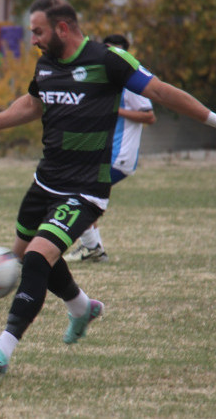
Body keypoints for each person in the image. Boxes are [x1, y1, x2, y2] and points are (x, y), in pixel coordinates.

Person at [0, 0, 216, 378]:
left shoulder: (108, 60)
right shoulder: (47, 63)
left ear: (62, 28)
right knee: (30, 257)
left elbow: (160, 92)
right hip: (44, 182)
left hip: (85, 188)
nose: (33, 39)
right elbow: (32, 105)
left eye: (38, 31)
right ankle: (82, 308)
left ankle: (2, 349)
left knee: (33, 259)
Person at [64, 33, 157, 263]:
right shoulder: (104, 81)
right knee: (83, 193)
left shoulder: (130, 84)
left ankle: (92, 247)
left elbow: (149, 116)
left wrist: (114, 110)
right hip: (103, 154)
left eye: (117, 51)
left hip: (119, 156)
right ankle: (93, 249)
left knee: (78, 192)